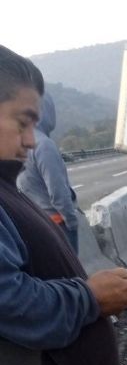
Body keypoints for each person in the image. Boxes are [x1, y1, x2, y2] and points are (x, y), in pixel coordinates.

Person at [0, 45, 127, 365]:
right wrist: (90, 297)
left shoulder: (5, 186)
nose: (32, 141)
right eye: (22, 122)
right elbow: (10, 301)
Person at [16, 91, 80, 252]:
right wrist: (71, 222)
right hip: (58, 223)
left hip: (38, 222)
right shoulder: (44, 145)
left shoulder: (19, 141)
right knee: (72, 274)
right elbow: (58, 191)